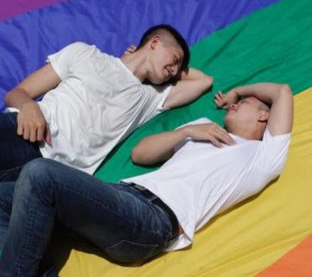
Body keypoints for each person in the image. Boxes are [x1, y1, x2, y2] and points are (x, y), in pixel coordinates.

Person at [0, 82, 293, 277]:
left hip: (152, 220)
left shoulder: (262, 158)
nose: (234, 104)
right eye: (237, 101)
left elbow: (282, 91)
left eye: (246, 103)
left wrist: (237, 91)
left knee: (40, 173)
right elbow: (140, 153)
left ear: (264, 116)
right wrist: (187, 132)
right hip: (122, 197)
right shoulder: (204, 129)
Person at [0, 24, 213, 182]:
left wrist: (175, 69)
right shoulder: (85, 53)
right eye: (175, 59)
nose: (175, 70)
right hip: (24, 133)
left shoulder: (150, 98)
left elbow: (204, 81)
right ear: (155, 43)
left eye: (179, 68)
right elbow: (18, 93)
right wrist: (28, 106)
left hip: (49, 175)